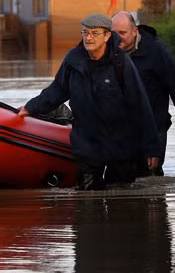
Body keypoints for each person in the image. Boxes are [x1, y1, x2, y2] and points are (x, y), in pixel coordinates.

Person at [18, 13, 160, 190]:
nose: (89, 38)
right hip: (87, 143)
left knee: (121, 202)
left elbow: (140, 104)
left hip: (121, 144)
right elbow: (57, 91)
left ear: (107, 36)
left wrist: (152, 147)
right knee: (87, 201)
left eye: (94, 33)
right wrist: (30, 108)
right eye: (85, 33)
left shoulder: (121, 62)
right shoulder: (73, 60)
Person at [111, 10, 175, 176]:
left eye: (122, 33)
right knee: (120, 179)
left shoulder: (156, 51)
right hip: (121, 128)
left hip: (155, 125)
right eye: (114, 33)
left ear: (135, 31)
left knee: (150, 177)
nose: (118, 38)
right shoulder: (108, 52)